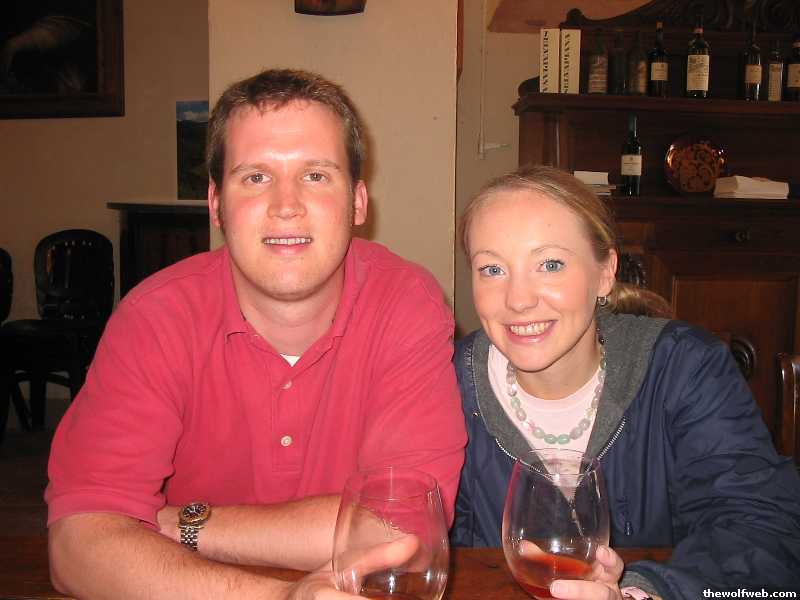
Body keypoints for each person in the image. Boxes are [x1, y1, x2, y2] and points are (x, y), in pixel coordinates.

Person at [46, 68, 466, 599]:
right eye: (255, 178)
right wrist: (281, 597)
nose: (286, 205)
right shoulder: (154, 319)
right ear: (216, 204)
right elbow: (78, 546)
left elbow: (404, 531)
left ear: (359, 202)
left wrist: (186, 524)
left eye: (316, 175)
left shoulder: (406, 304)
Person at [450, 165, 800, 599]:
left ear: (605, 272)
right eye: (492, 269)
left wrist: (646, 592)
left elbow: (764, 530)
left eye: (550, 264)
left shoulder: (685, 367)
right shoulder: (448, 382)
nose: (518, 300)